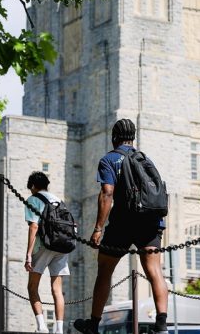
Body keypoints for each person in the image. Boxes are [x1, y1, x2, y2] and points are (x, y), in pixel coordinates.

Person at [74, 119, 169, 334]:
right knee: (155, 270)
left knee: (105, 270)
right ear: (133, 137)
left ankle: (93, 325)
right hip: (151, 222)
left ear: (114, 137)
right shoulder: (145, 159)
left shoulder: (109, 159)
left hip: (123, 223)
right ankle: (162, 325)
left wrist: (98, 228)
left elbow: (107, 193)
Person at [25, 171, 69, 334]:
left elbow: (33, 227)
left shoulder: (33, 199)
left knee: (32, 287)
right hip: (62, 246)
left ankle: (42, 327)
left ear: (33, 186)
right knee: (57, 289)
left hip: (43, 246)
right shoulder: (58, 199)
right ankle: (59, 330)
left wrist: (29, 254)